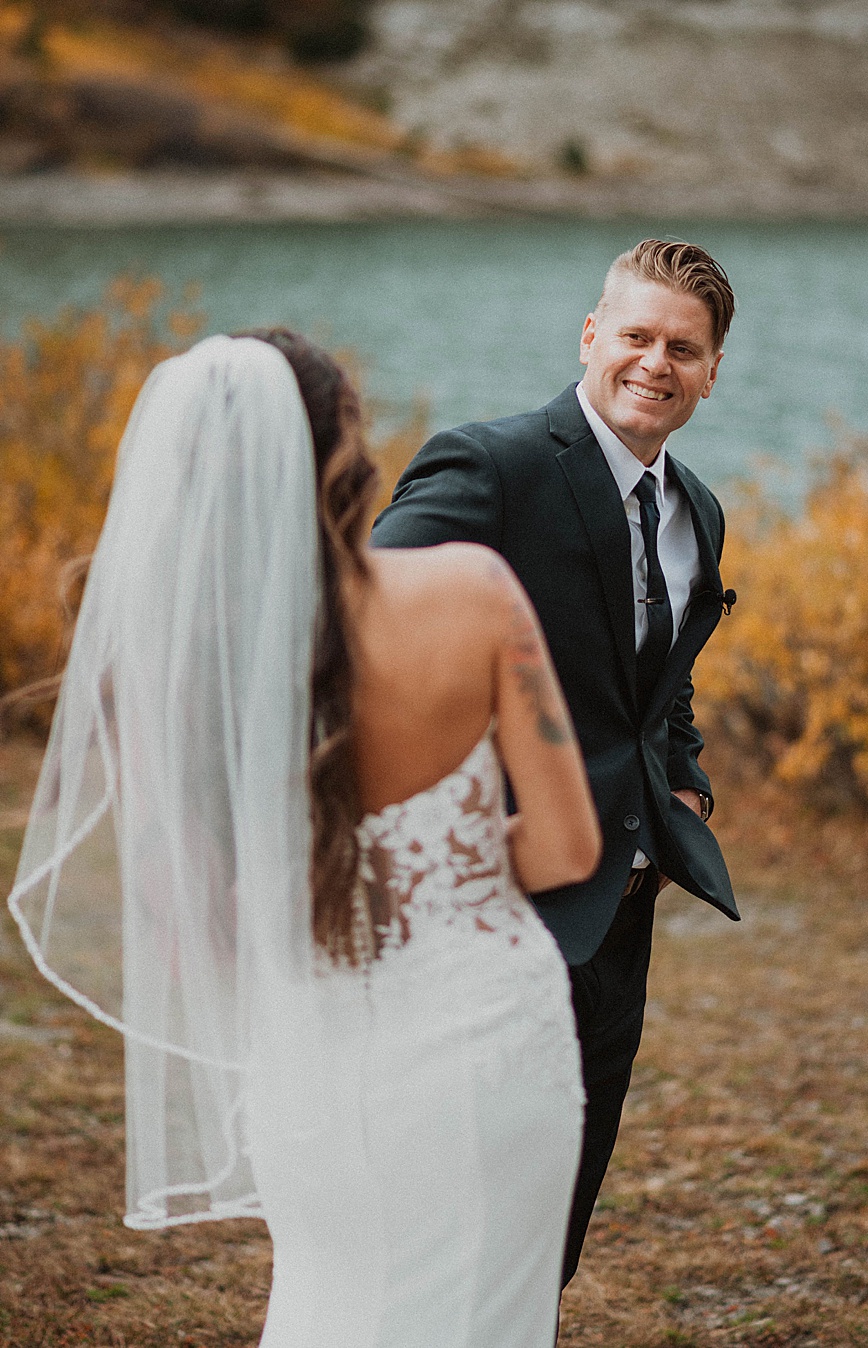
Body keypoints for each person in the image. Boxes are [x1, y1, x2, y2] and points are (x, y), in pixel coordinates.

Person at [6, 330, 601, 1346]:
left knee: (330, 1309)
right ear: (345, 452)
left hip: (310, 1072)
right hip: (492, 1052)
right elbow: (567, 848)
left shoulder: (171, 669)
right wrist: (439, 869)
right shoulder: (471, 591)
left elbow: (192, 934)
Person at [369, 238, 739, 1292]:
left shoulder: (698, 510)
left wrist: (683, 784)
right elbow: (368, 628)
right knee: (445, 1207)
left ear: (712, 369)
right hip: (491, 911)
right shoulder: (491, 467)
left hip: (620, 920)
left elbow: (662, 686)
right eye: (635, 336)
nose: (654, 363)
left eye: (684, 347)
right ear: (590, 337)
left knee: (551, 1223)